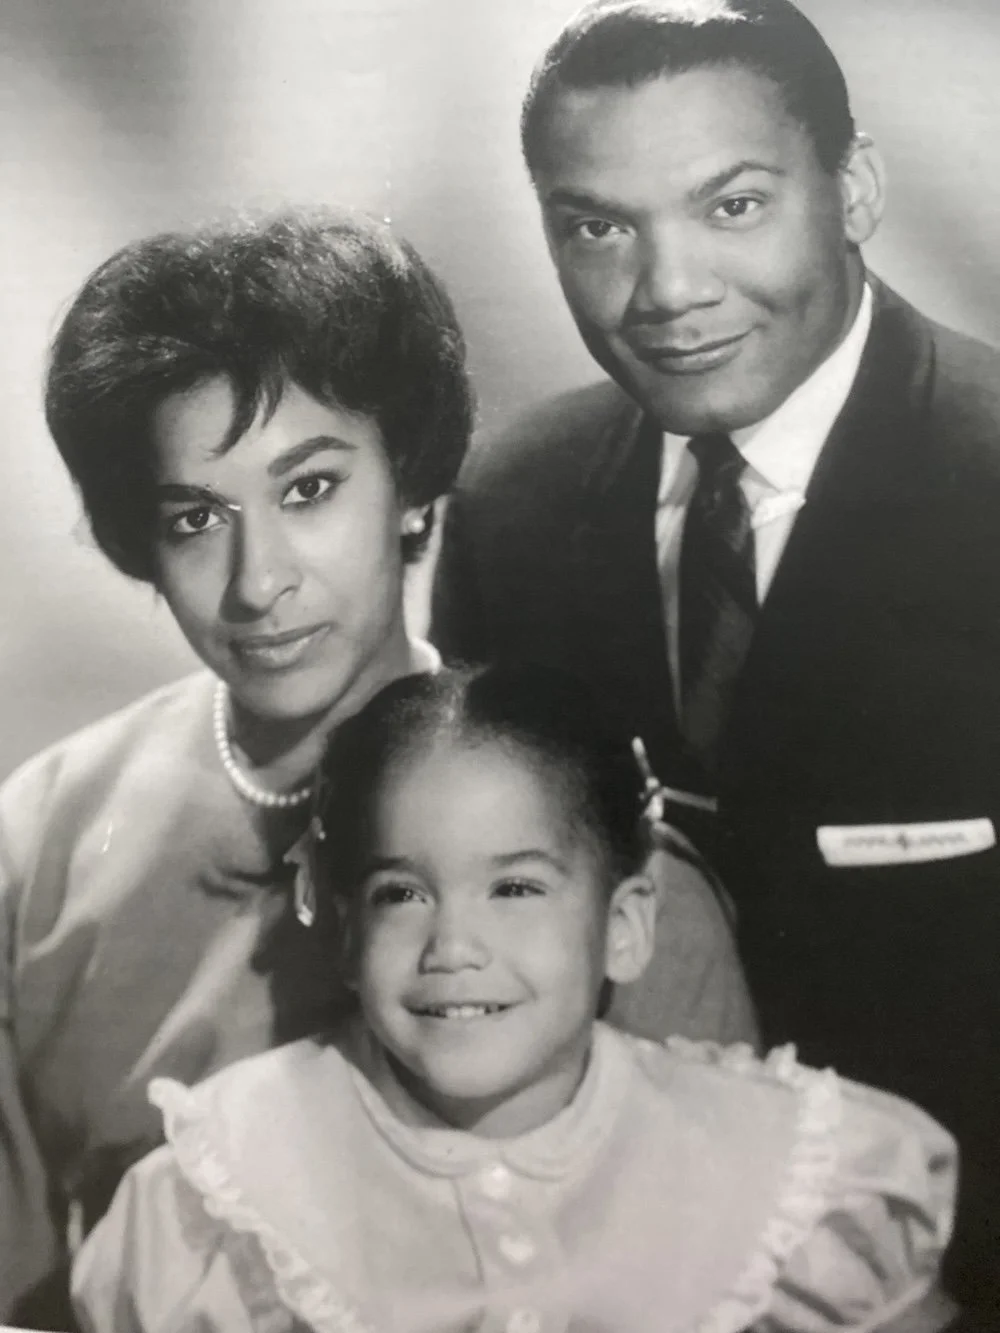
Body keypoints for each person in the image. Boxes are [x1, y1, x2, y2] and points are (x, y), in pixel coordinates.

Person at [430, 0, 1000, 1316]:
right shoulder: (514, 511)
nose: (668, 290)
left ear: (853, 189)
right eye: (597, 227)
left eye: (732, 206)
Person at [71, 663, 960, 1333]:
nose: (453, 947)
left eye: (517, 889)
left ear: (625, 924)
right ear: (345, 928)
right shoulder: (217, 1196)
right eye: (401, 892)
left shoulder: (799, 1173)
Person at [0, 207, 474, 1327]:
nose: (258, 582)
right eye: (195, 517)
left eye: (309, 490)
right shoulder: (45, 836)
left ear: (410, 487)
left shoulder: (569, 807)